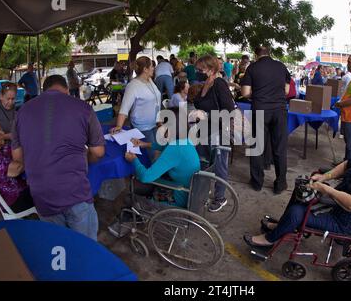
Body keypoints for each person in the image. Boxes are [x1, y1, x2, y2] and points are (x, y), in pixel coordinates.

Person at [244, 126, 351, 248]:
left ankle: (270, 239)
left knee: (297, 212)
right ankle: (283, 226)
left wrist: (326, 189)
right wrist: (324, 177)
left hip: (343, 221)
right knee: (302, 189)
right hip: (335, 205)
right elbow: (346, 165)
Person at [11, 75, 105, 240]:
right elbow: (98, 152)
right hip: (74, 191)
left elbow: (17, 156)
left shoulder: (22, 111)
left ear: (43, 90)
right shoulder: (83, 108)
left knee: (58, 246)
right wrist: (86, 159)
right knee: (86, 248)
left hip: (42, 194)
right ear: (67, 89)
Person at [108, 107, 201, 237]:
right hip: (189, 190)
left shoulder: (175, 149)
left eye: (161, 124)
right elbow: (164, 145)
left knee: (136, 188)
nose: (158, 128)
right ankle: (137, 214)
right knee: (144, 181)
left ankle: (130, 220)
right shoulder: (183, 140)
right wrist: (143, 144)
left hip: (178, 195)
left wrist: (134, 159)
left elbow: (146, 177)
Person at [241, 46, 290, 194]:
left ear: (256, 56)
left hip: (260, 109)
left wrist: (259, 93)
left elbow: (245, 93)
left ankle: (257, 182)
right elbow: (286, 91)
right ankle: (280, 184)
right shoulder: (281, 66)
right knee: (280, 148)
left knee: (257, 147)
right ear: (270, 54)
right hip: (280, 110)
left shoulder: (252, 68)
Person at [194, 55, 235, 212]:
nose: (197, 72)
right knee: (203, 163)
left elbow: (229, 110)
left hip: (218, 131)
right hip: (204, 131)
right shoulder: (206, 83)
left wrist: (207, 115)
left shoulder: (219, 84)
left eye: (200, 69)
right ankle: (203, 192)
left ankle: (220, 197)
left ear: (210, 69)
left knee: (219, 166)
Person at [111, 56, 161, 161]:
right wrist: (119, 126)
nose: (153, 68)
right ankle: (147, 175)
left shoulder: (150, 80)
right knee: (151, 155)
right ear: (145, 69)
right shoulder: (133, 86)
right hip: (143, 127)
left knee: (157, 150)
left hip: (155, 124)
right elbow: (124, 109)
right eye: (152, 66)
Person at [0, 118, 33, 212]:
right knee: (46, 189)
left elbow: (15, 150)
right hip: (14, 199)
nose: (3, 133)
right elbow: (17, 169)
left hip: (21, 188)